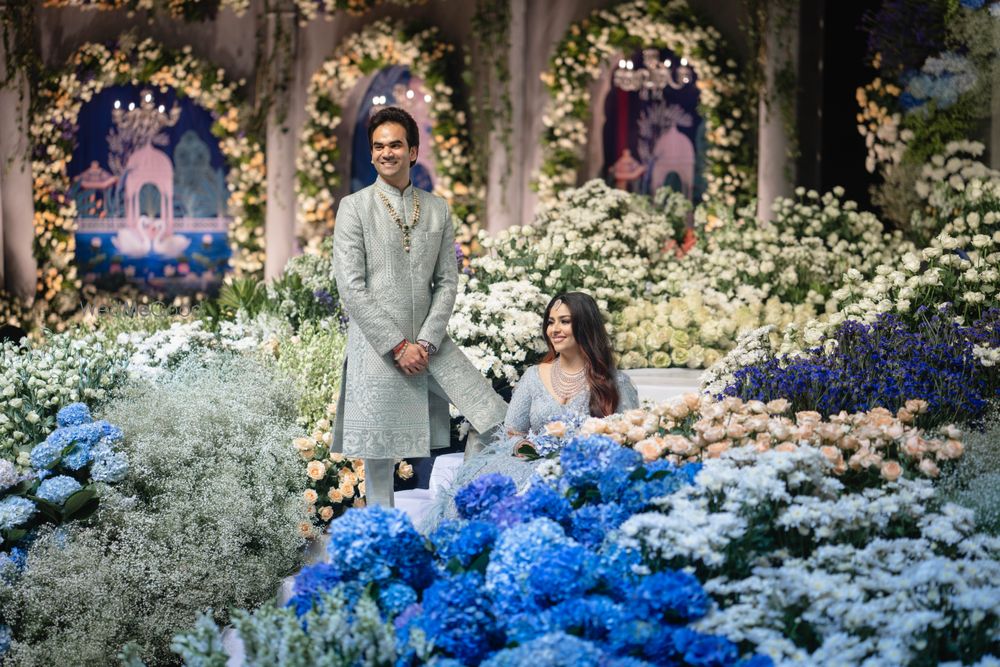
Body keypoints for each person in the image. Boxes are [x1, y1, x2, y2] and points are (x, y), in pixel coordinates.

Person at [332, 106, 508, 508]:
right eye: (378, 146)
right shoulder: (354, 207)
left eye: (395, 145)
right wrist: (396, 345)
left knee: (493, 415)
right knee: (378, 457)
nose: (386, 153)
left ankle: (455, 510)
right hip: (378, 348)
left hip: (431, 343)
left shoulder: (436, 208)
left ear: (412, 152)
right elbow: (351, 286)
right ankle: (385, 539)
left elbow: (447, 281)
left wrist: (425, 343)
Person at [422, 292, 639, 528]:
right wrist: (527, 449)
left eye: (565, 321)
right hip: (528, 461)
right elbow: (513, 430)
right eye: (550, 322)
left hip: (583, 472)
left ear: (586, 325)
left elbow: (627, 437)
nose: (554, 329)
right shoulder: (534, 376)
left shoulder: (614, 382)